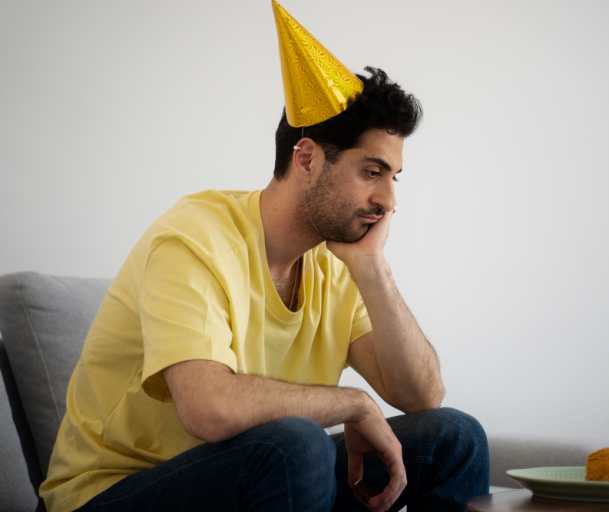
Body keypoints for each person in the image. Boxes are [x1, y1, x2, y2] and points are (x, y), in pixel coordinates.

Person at [39, 3, 489, 511]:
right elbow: (208, 407)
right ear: (307, 158)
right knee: (296, 444)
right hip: (113, 493)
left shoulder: (337, 263)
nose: (389, 200)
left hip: (249, 482)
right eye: (372, 172)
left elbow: (423, 397)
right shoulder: (195, 238)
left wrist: (374, 268)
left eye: (393, 178)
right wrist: (353, 404)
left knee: (454, 436)